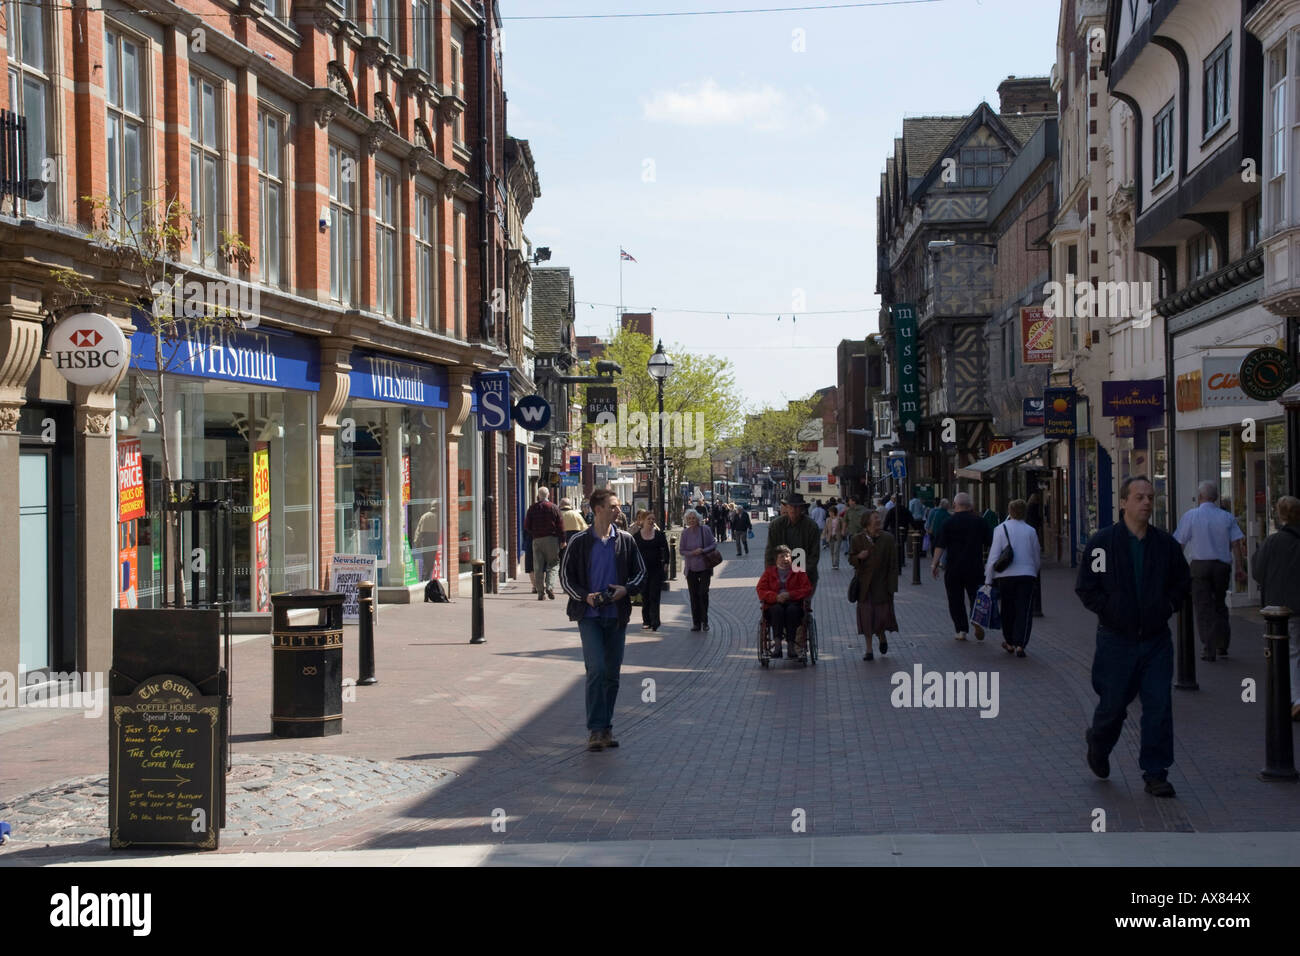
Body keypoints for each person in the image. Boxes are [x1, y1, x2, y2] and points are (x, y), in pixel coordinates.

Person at [1075, 475, 1191, 797]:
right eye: (1139, 497)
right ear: (1123, 502)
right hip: (1116, 640)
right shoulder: (1102, 544)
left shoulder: (1165, 545)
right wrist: (1110, 611)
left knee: (1158, 704)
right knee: (1113, 706)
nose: (1146, 503)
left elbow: (1182, 582)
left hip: (1155, 640)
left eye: (1150, 497)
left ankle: (1156, 772)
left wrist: (1167, 605)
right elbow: (1087, 587)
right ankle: (1098, 743)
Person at [558, 488, 646, 752]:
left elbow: (640, 573)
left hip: (616, 616)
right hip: (590, 616)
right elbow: (565, 578)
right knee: (596, 669)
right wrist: (585, 597)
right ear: (598, 510)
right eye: (613, 506)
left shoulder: (627, 540)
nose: (618, 510)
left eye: (618, 506)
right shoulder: (580, 541)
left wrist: (625, 590)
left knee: (612, 674)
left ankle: (606, 728)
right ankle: (596, 730)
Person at [1172, 480, 1247, 661]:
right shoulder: (1226, 517)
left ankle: (1209, 646)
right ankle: (1222, 644)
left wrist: (1176, 568)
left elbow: (1179, 543)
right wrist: (1239, 567)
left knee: (1203, 606)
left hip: (1199, 565)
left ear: (1199, 497)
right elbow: (1236, 543)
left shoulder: (1191, 516)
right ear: (1216, 498)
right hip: (1221, 566)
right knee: (1220, 604)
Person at [1251, 495, 1300, 721]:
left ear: (1280, 515)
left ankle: (1294, 698)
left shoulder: (1272, 541)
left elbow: (1258, 572)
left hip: (1280, 607)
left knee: (1289, 651)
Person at [931, 492, 992, 641]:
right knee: (975, 597)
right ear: (970, 506)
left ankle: (961, 630)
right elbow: (991, 542)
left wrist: (934, 564)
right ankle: (976, 620)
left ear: (954, 505)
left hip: (953, 568)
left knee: (955, 599)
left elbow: (940, 545)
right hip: (975, 566)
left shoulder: (948, 522)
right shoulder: (979, 522)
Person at [984, 499, 1041, 657]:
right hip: (1027, 575)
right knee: (1024, 609)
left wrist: (988, 579)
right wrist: (1035, 571)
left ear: (1010, 511)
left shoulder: (1000, 529)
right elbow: (1036, 555)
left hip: (1006, 576)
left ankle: (1009, 641)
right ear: (1024, 512)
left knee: (1008, 609)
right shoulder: (1030, 531)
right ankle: (1020, 644)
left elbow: (994, 556)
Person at [850, 510, 898, 661]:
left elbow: (893, 564)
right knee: (866, 617)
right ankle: (869, 649)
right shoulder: (857, 539)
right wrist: (859, 557)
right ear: (867, 522)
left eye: (879, 518)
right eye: (875, 518)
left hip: (882, 585)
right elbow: (851, 558)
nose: (879, 520)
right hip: (865, 586)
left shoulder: (888, 539)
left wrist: (892, 587)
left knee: (882, 617)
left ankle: (882, 635)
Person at [757, 545, 813, 660]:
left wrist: (790, 594)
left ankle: (791, 647)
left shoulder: (798, 571)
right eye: (782, 556)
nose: (785, 559)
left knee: (791, 611)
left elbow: (807, 588)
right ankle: (777, 646)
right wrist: (775, 597)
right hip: (775, 603)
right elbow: (760, 589)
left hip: (793, 602)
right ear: (776, 559)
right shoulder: (769, 572)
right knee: (777, 610)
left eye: (787, 556)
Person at [766, 493, 822, 591]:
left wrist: (800, 576)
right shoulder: (776, 525)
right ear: (786, 507)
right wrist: (771, 575)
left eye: (797, 507)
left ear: (802, 509)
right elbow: (770, 553)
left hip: (805, 576)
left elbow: (814, 556)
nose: (793, 510)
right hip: (780, 576)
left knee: (801, 604)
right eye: (791, 506)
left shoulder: (811, 527)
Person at [680, 508, 719, 632]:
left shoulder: (705, 530)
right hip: (691, 568)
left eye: (693, 518)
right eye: (689, 518)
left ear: (698, 519)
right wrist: (691, 553)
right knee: (693, 596)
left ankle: (705, 621)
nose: (691, 520)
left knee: (702, 593)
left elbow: (713, 544)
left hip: (704, 567)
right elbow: (681, 550)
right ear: (686, 520)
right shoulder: (685, 533)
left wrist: (703, 550)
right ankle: (696, 623)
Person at [524, 487, 564, 601]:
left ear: (538, 495)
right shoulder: (554, 507)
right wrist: (563, 540)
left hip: (537, 540)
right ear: (549, 495)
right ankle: (550, 586)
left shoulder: (532, 508)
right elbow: (560, 526)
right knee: (554, 564)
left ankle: (540, 592)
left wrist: (535, 533)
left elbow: (526, 526)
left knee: (538, 566)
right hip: (551, 539)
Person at [633, 509, 670, 632]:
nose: (651, 521)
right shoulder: (636, 537)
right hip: (642, 570)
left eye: (653, 519)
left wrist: (666, 563)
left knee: (655, 595)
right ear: (642, 520)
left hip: (656, 569)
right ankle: (646, 620)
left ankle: (655, 621)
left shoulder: (659, 535)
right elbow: (633, 554)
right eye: (648, 519)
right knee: (645, 595)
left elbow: (665, 549)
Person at [884, 493, 910, 568]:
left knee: (896, 545)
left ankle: (897, 560)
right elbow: (910, 519)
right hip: (903, 530)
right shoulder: (905, 510)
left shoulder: (892, 510)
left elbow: (887, 521)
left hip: (894, 530)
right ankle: (902, 561)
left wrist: (884, 529)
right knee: (901, 545)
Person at [824, 505, 844, 570]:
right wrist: (824, 535)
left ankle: (836, 565)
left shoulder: (840, 519)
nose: (829, 513)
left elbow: (843, 527)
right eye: (829, 512)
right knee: (832, 551)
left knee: (836, 551)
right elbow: (826, 528)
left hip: (837, 536)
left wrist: (842, 533)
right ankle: (833, 564)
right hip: (830, 537)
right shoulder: (828, 519)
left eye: (830, 512)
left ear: (833, 512)